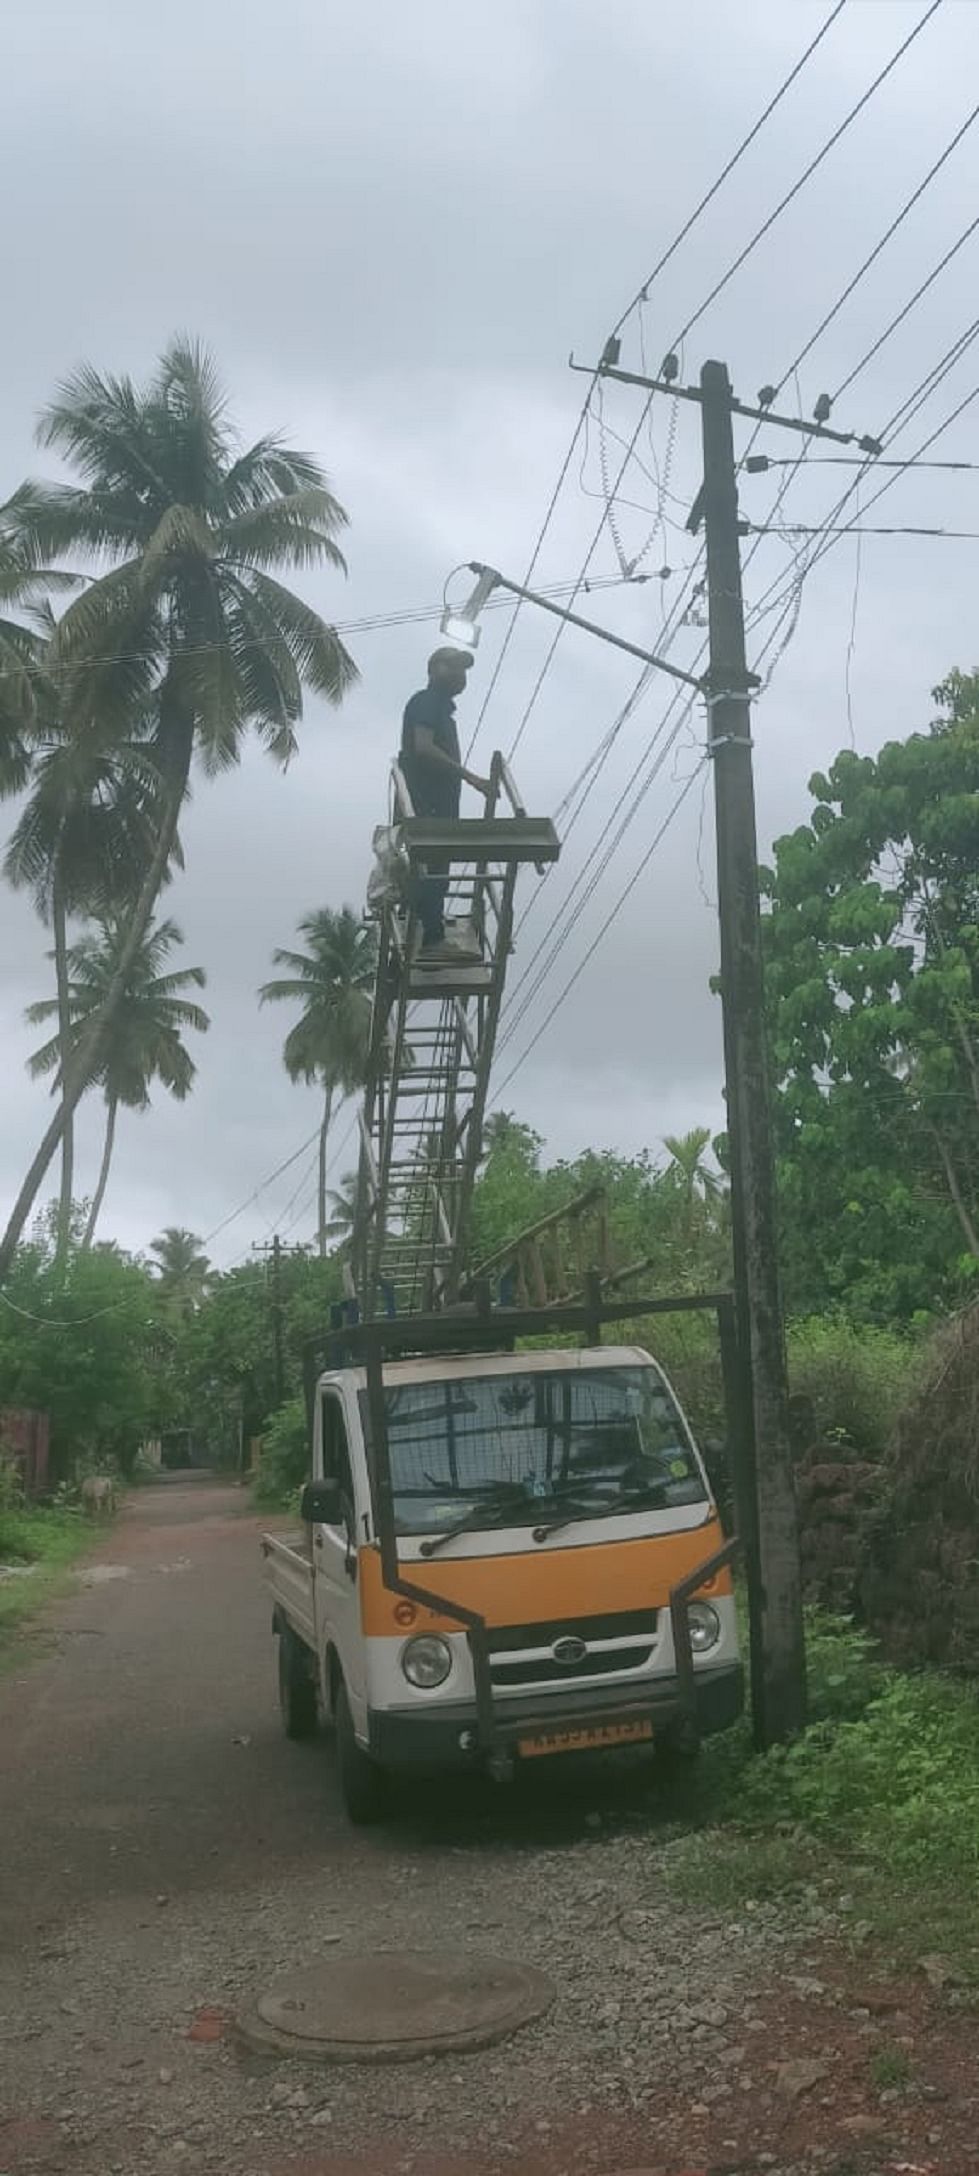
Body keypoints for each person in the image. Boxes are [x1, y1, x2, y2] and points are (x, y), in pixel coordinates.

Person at [399, 648, 490, 952]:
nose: (460, 676)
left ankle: (429, 928)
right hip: (429, 801)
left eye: (463, 671)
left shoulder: (442, 710)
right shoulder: (427, 702)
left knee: (437, 868)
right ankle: (433, 937)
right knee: (433, 867)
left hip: (438, 802)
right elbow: (423, 747)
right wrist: (471, 777)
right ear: (435, 669)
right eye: (454, 668)